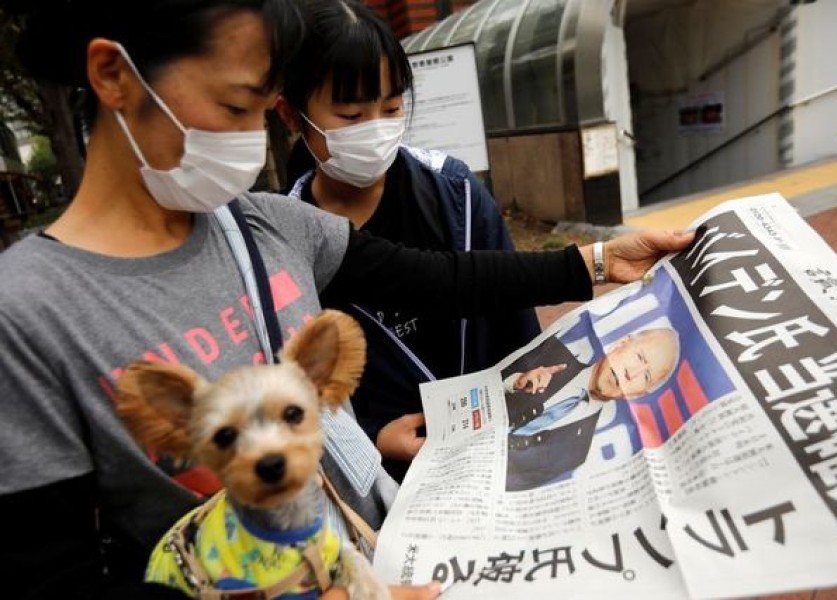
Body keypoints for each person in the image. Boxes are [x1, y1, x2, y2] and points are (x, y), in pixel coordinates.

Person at [0, 1, 694, 598]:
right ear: (113, 75)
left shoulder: (266, 225)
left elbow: (443, 278)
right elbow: (52, 577)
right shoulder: (26, 313)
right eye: (235, 106)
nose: (248, 140)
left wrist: (600, 261)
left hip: (382, 551)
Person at [273, 0, 542, 482]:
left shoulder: (455, 194)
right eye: (351, 114)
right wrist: (375, 436)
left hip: (496, 448)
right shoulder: (285, 241)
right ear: (292, 117)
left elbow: (514, 319)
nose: (376, 127)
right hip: (392, 480)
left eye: (392, 107)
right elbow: (305, 388)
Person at [502, 328, 680, 491]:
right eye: (639, 357)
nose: (631, 373)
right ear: (621, 344)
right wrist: (514, 383)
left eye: (646, 376)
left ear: (640, 393)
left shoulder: (576, 453)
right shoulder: (551, 351)